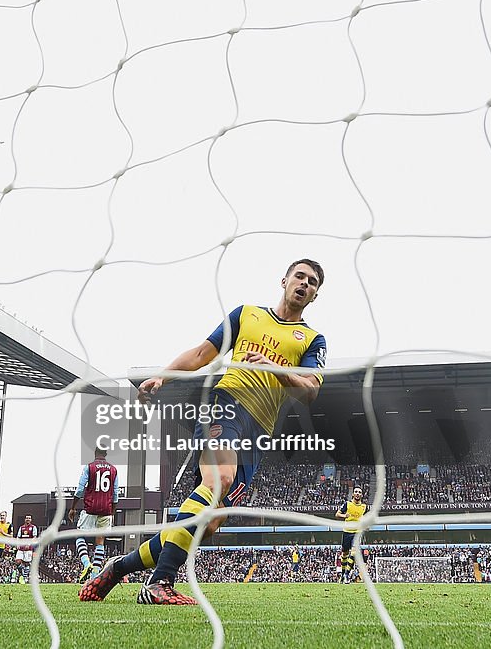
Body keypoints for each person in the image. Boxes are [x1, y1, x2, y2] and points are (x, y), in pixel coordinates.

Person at [80, 259, 327, 605]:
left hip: (258, 431)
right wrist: (163, 375)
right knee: (219, 480)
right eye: (299, 276)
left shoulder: (313, 340)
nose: (304, 283)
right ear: (284, 279)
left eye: (312, 282)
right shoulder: (247, 315)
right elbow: (201, 354)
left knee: (208, 523)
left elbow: (310, 391)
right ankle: (159, 583)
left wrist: (276, 369)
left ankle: (120, 567)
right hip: (225, 404)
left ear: (315, 295)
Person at [69, 446, 118, 582]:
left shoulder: (89, 467)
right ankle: (95, 575)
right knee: (100, 540)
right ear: (106, 454)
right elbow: (116, 495)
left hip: (90, 508)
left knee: (79, 535)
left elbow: (80, 489)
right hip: (106, 510)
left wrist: (73, 507)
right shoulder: (113, 470)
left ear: (95, 453)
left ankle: (86, 564)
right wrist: (111, 513)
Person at [335, 486, 367, 584]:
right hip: (347, 531)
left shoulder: (364, 507)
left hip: (357, 532)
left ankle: (346, 575)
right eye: (356, 492)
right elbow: (337, 514)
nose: (357, 493)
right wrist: (345, 515)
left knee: (354, 552)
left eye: (359, 492)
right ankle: (343, 574)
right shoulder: (347, 504)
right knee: (344, 554)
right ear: (353, 494)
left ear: (361, 495)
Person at [14, 514, 39, 584]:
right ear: (25, 519)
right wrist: (17, 544)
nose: (28, 519)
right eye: (27, 518)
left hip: (28, 549)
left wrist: (29, 544)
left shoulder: (33, 527)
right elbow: (18, 537)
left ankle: (25, 578)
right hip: (21, 548)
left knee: (26, 563)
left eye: (29, 518)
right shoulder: (21, 528)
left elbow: (34, 537)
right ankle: (21, 575)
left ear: (31, 520)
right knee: (17, 561)